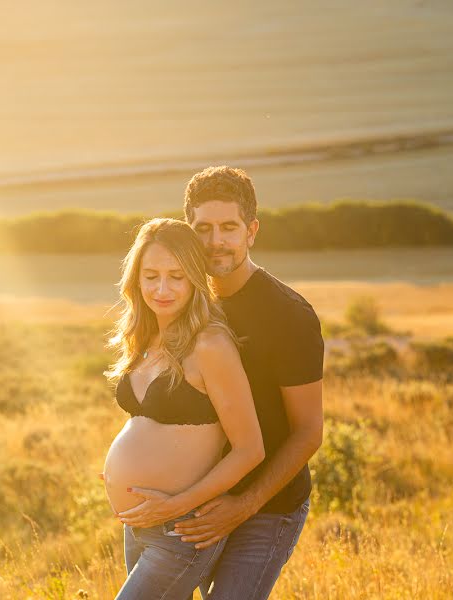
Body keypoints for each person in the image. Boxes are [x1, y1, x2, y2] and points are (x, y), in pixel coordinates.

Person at [178, 166, 325, 599]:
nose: (215, 240)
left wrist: (244, 505)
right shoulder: (183, 303)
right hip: (198, 496)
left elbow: (308, 432)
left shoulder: (289, 315)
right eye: (202, 228)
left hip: (267, 506)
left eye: (229, 227)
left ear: (252, 231)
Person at [102, 218, 266, 600]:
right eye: (151, 275)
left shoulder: (210, 344)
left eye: (176, 276)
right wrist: (121, 472)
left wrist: (174, 504)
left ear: (195, 277)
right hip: (139, 526)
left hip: (181, 531)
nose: (162, 288)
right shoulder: (146, 337)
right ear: (135, 280)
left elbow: (249, 449)